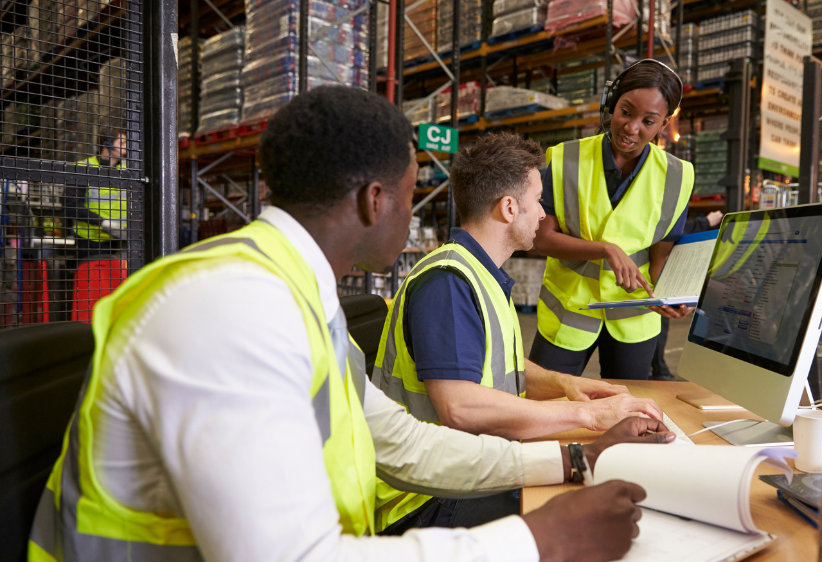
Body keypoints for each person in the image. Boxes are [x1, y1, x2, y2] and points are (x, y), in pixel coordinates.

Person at [28, 86, 676, 562]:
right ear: (375, 200)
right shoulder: (231, 308)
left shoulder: (298, 292)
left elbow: (401, 442)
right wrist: (543, 539)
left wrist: (572, 459)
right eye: (410, 189)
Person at [371, 132, 666, 534]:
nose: (544, 214)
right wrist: (587, 415)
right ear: (509, 208)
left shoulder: (479, 273)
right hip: (426, 500)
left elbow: (501, 364)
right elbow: (461, 407)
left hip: (467, 471)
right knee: (607, 508)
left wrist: (567, 384)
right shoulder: (447, 283)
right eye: (538, 200)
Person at [531, 60, 696, 380]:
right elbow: (542, 239)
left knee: (628, 412)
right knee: (542, 399)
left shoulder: (678, 177)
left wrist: (672, 295)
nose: (632, 128)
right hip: (569, 310)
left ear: (663, 124)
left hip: (634, 317)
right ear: (611, 105)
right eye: (625, 112)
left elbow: (659, 257)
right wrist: (605, 249)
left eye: (648, 121)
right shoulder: (565, 158)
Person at [650, 209, 723, 381]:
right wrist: (704, 222)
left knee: (660, 325)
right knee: (660, 325)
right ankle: (659, 370)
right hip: (649, 285)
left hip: (655, 283)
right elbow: (674, 228)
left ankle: (659, 368)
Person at [64, 129, 128, 257]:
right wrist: (102, 222)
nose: (126, 147)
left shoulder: (128, 171)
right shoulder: (83, 168)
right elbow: (70, 205)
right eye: (122, 143)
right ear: (107, 144)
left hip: (122, 240)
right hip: (91, 242)